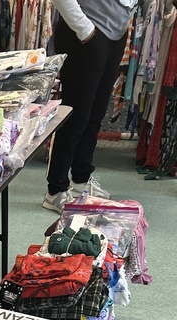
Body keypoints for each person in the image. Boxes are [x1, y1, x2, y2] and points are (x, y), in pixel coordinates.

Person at [42, 0, 137, 213]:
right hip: (86, 32)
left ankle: (80, 181)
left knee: (95, 114)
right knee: (76, 115)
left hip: (116, 33)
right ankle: (55, 190)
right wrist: (85, 29)